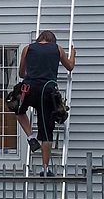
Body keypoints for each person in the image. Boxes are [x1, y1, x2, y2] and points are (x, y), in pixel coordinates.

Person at [14, 30, 76, 176]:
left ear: (39, 38)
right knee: (46, 132)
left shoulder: (28, 48)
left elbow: (21, 73)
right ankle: (45, 169)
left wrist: (32, 72)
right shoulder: (57, 49)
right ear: (52, 40)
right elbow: (70, 66)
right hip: (48, 91)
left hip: (29, 89)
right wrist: (73, 54)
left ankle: (30, 137)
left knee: (18, 110)